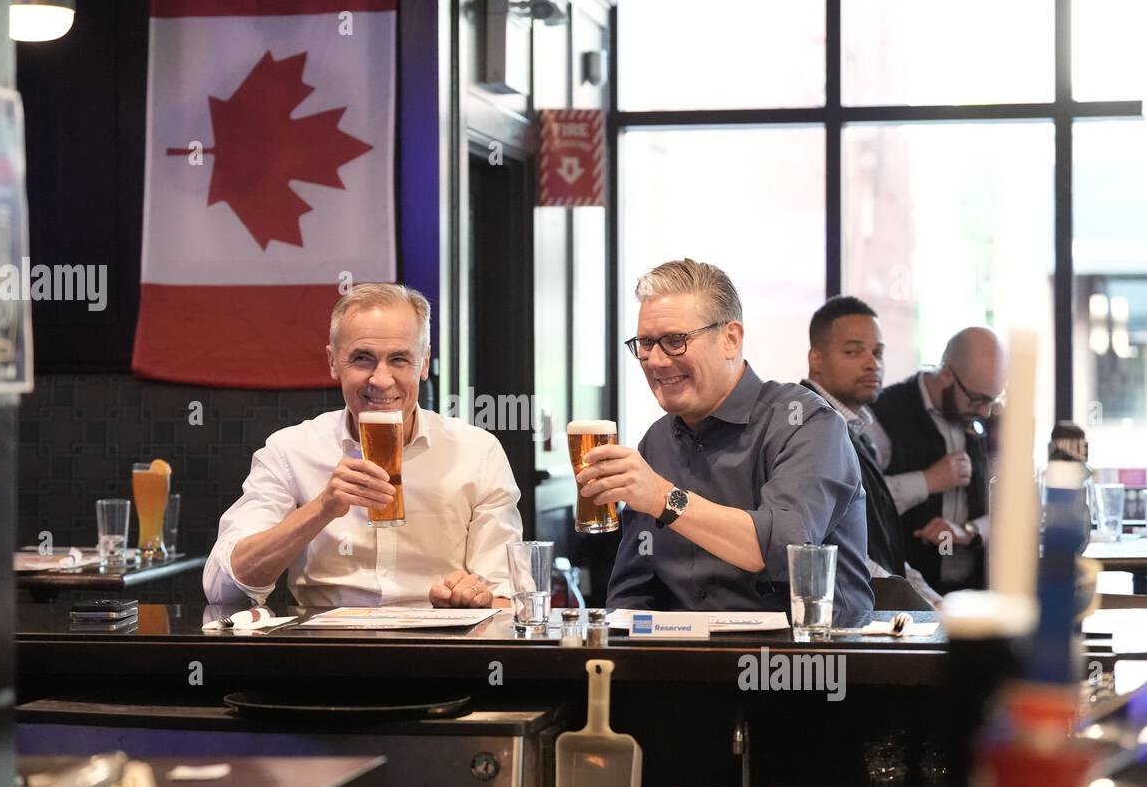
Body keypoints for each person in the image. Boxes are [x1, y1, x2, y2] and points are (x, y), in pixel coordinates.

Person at [203, 283, 523, 607]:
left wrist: (470, 603)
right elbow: (223, 589)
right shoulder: (289, 450)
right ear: (333, 362)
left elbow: (510, 598)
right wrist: (321, 509)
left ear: (424, 362)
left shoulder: (478, 452)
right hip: (325, 636)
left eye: (399, 359)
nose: (381, 380)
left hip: (439, 635)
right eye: (362, 359)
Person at [596, 259, 874, 616]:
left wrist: (663, 497)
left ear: (731, 339)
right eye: (647, 343)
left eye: (675, 341)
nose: (656, 361)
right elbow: (632, 595)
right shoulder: (657, 441)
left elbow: (785, 548)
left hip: (801, 648)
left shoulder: (806, 422)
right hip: (680, 650)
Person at [802, 295, 942, 608]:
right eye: (853, 352)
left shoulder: (856, 430)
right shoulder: (807, 426)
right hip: (843, 619)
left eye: (877, 352)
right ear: (816, 360)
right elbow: (842, 553)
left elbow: (883, 551)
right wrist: (923, 609)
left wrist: (934, 603)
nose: (872, 363)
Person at [868, 327, 1005, 594]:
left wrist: (970, 531)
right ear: (946, 374)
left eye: (993, 399)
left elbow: (1015, 506)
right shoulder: (882, 413)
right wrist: (927, 481)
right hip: (903, 597)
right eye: (977, 400)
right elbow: (864, 504)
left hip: (975, 595)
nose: (985, 412)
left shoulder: (995, 421)